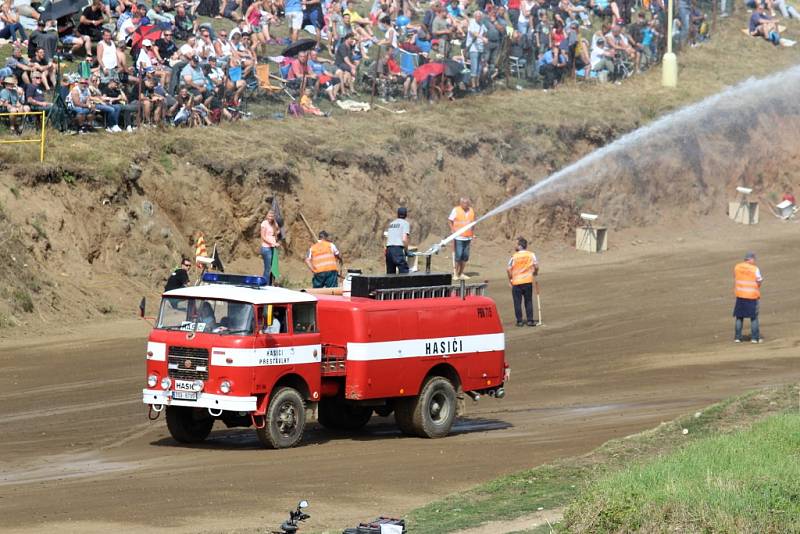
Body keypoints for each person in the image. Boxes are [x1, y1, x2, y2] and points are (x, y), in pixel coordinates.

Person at [507, 237, 538, 327]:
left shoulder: (514, 256)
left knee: (517, 302)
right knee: (528, 301)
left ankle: (519, 321)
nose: (515, 246)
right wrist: (535, 272)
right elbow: (536, 266)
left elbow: (508, 269)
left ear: (520, 246)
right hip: (527, 281)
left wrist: (510, 279)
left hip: (516, 282)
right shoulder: (531, 255)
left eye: (516, 244)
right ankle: (530, 320)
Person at [733, 251, 763, 343]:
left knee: (739, 316)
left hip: (740, 295)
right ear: (751, 259)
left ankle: (737, 337)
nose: (754, 261)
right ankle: (755, 338)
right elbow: (759, 280)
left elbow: (736, 277)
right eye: (754, 259)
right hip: (751, 296)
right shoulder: (755, 269)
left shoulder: (737, 267)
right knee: (753, 317)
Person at [448, 197, 476, 280]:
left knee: (465, 256)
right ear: (461, 203)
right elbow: (450, 220)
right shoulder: (456, 210)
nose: (466, 205)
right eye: (464, 203)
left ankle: (461, 273)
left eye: (467, 203)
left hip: (468, 237)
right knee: (458, 256)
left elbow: (473, 223)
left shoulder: (471, 210)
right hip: (459, 237)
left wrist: (473, 234)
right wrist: (452, 229)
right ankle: (455, 273)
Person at [385, 206, 410, 274]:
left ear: (397, 214)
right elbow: (404, 239)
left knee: (390, 274)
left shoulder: (391, 224)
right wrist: (406, 251)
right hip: (397, 250)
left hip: (388, 250)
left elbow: (389, 238)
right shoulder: (405, 223)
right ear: (406, 215)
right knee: (404, 272)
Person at [259, 209, 280, 283]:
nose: (271, 217)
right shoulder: (264, 223)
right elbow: (263, 237)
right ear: (267, 216)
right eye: (269, 215)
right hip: (266, 248)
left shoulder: (274, 224)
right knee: (267, 268)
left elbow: (277, 231)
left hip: (273, 248)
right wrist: (272, 243)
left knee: (273, 267)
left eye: (272, 215)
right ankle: (265, 284)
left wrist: (277, 232)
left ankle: (271, 283)